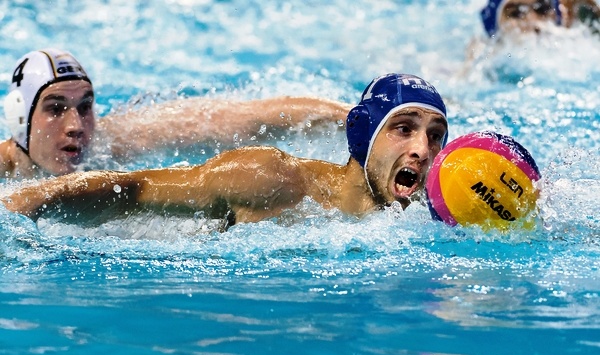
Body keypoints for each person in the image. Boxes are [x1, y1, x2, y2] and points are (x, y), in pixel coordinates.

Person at [1, 73, 449, 228]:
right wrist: (21, 202)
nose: (421, 150)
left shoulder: (428, 212)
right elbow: (134, 189)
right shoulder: (274, 179)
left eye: (434, 136)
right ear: (362, 137)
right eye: (403, 129)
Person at [0, 48, 351, 179]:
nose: (76, 126)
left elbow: (243, 118)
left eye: (85, 106)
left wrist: (351, 117)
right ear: (19, 118)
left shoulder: (113, 142)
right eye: (56, 108)